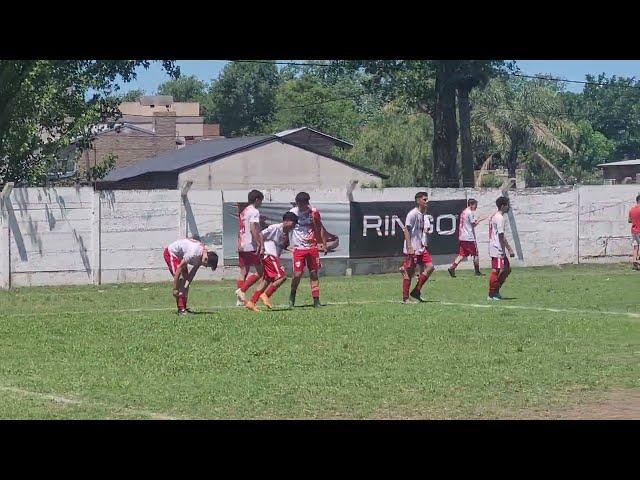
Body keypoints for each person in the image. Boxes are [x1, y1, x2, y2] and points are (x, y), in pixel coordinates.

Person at [245, 212, 299, 312]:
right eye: (294, 223)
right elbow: (261, 234)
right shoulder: (275, 227)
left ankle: (251, 302)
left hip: (272, 256)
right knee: (282, 276)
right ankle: (265, 294)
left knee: (267, 280)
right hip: (269, 255)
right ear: (286, 221)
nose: (294, 226)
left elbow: (280, 244)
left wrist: (289, 248)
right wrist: (261, 248)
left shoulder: (286, 233)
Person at [288, 192, 328, 308]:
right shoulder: (292, 213)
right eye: (299, 204)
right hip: (298, 248)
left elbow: (320, 227)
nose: (301, 206)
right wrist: (286, 243)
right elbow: (286, 228)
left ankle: (316, 300)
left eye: (303, 204)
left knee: (313, 273)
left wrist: (322, 243)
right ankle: (292, 295)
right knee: (297, 274)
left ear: (307, 203)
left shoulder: (314, 212)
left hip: (312, 247)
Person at [163, 238, 218, 315]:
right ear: (206, 259)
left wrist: (186, 285)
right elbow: (179, 269)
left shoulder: (201, 257)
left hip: (181, 256)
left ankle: (184, 307)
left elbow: (191, 275)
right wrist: (175, 288)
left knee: (185, 282)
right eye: (207, 265)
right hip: (171, 253)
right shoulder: (193, 253)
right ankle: (181, 309)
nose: (205, 266)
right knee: (181, 279)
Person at [400, 191, 435, 303]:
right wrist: (409, 246)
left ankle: (416, 291)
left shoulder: (422, 215)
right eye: (424, 199)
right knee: (409, 273)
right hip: (412, 248)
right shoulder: (412, 214)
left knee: (430, 267)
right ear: (418, 200)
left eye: (427, 199)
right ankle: (405, 298)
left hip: (420, 248)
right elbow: (406, 230)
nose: (426, 201)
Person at [235, 190, 264, 306]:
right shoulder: (254, 211)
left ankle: (239, 300)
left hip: (242, 244)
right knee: (260, 272)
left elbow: (240, 228)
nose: (261, 204)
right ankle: (241, 290)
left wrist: (238, 242)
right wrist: (258, 244)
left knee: (243, 272)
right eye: (261, 201)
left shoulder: (244, 211)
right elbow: (253, 228)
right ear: (257, 200)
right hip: (250, 245)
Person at [448, 198, 486, 277]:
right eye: (475, 205)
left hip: (462, 237)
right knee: (476, 254)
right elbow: (473, 224)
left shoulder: (463, 212)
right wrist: (480, 219)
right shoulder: (469, 212)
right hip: (469, 237)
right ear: (471, 204)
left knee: (462, 254)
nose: (476, 207)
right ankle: (477, 272)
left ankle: (452, 267)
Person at [488, 196, 515, 301]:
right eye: (507, 205)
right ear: (503, 206)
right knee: (496, 270)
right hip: (497, 248)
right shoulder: (499, 218)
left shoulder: (494, 216)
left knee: (507, 269)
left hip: (496, 247)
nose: (509, 207)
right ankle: (491, 294)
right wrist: (509, 248)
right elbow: (501, 235)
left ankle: (495, 290)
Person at [629, 194, 640, 270]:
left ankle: (634, 262)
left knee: (635, 247)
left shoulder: (631, 209)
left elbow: (629, 220)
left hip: (634, 231)